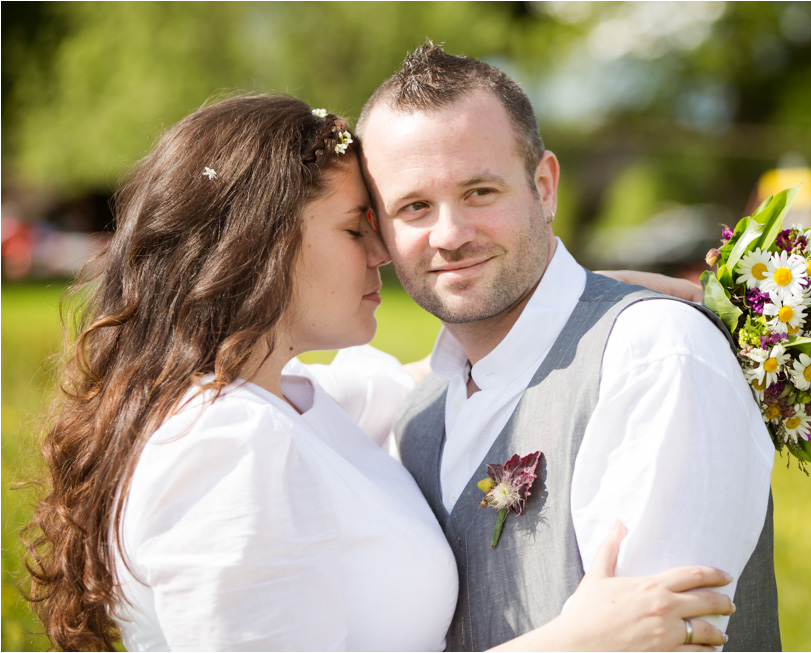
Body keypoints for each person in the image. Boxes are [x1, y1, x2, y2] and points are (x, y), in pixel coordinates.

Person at [24, 94, 735, 651]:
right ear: (263, 246)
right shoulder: (224, 448)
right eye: (355, 228)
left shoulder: (295, 404)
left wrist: (579, 292)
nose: (383, 254)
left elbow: (446, 368)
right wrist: (575, 642)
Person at [356, 42, 780, 651]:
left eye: (480, 192)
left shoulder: (653, 355)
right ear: (381, 232)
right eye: (415, 207)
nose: (450, 235)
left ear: (545, 186)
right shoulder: (417, 408)